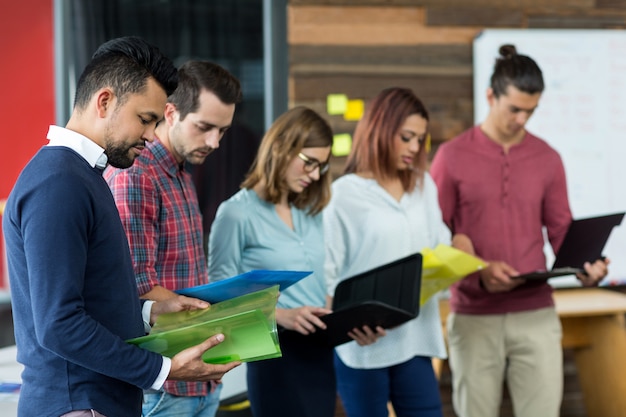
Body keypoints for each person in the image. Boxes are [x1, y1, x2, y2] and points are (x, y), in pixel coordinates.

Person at [2, 36, 239, 417]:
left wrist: (149, 313)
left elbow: (91, 300)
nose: (150, 135)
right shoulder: (59, 182)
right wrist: (162, 371)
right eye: (145, 119)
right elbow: (59, 324)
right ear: (105, 101)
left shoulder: (79, 176)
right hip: (79, 404)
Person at [429, 44, 609, 417]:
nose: (522, 119)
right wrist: (479, 269)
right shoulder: (451, 156)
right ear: (491, 96)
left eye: (531, 111)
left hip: (536, 314)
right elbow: (434, 235)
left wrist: (586, 266)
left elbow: (561, 232)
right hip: (473, 314)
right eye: (514, 109)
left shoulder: (548, 158)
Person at [104, 60, 242, 417]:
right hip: (163, 386)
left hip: (197, 379)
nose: (214, 142)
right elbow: (135, 288)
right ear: (171, 112)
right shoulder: (137, 174)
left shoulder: (180, 171)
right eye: (204, 127)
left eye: (223, 131)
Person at [323, 87, 471, 417]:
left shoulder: (424, 185)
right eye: (406, 137)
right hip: (362, 347)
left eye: (420, 139)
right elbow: (327, 277)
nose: (415, 148)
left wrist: (459, 249)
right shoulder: (343, 195)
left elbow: (439, 249)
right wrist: (345, 323)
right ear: (381, 130)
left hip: (416, 339)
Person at [208, 106, 355, 417]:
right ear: (281, 148)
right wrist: (283, 315)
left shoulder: (311, 213)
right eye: (309, 163)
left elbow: (321, 284)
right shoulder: (236, 214)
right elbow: (219, 303)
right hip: (275, 358)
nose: (315, 175)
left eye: (322, 167)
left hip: (320, 353)